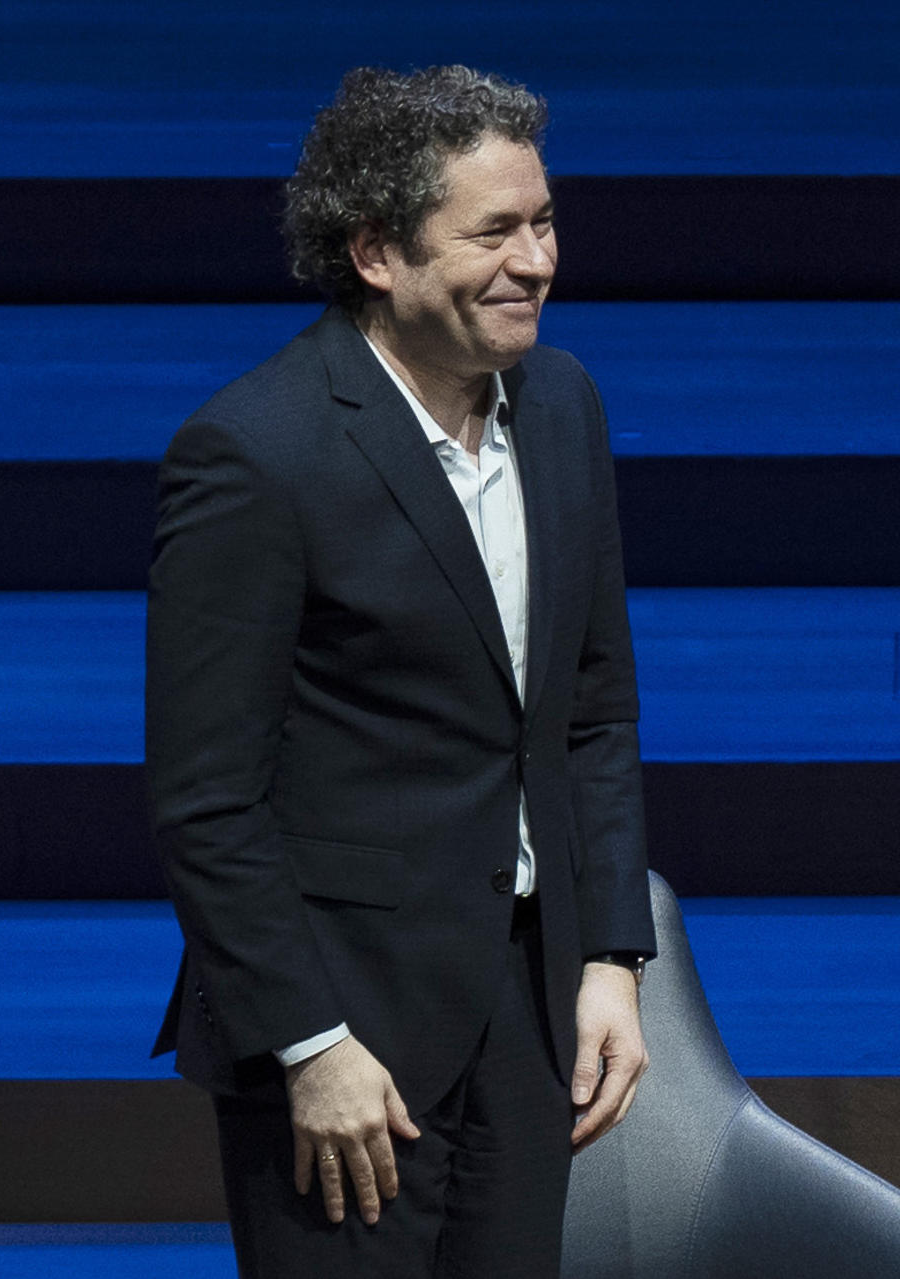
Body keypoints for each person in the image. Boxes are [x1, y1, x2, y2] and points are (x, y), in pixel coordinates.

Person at [146, 64, 655, 1278]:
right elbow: (207, 800)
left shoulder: (564, 405)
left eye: (543, 223)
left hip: (528, 1016)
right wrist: (307, 1042)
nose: (537, 262)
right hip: (344, 1038)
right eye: (494, 233)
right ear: (377, 253)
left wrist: (608, 957)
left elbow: (591, 708)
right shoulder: (257, 455)